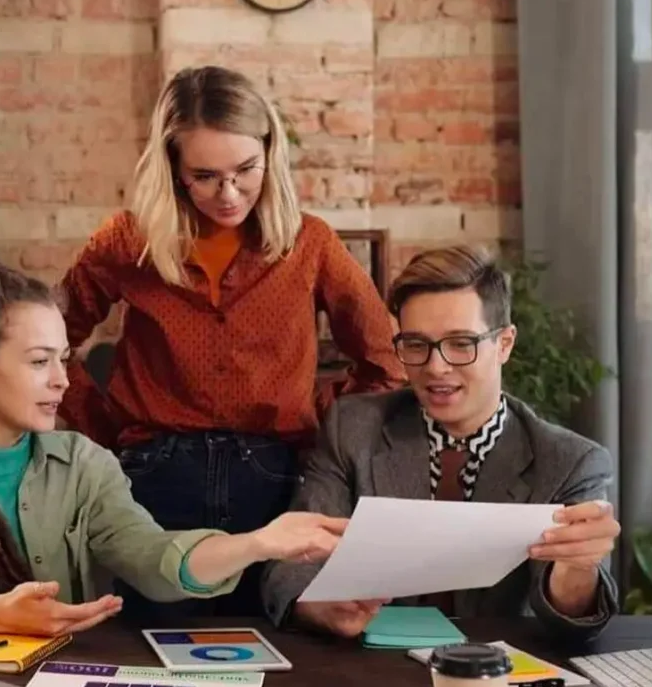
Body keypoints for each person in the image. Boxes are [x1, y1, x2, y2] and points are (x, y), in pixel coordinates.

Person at [0, 252, 346, 643]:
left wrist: (258, 543)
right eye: (38, 361)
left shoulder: (84, 465)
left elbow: (154, 558)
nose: (62, 381)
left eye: (64, 358)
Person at [58, 65, 404, 618]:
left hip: (271, 480)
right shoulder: (127, 242)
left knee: (276, 657)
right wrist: (106, 428)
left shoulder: (310, 244)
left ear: (271, 152)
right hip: (152, 481)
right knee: (153, 651)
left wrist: (311, 413)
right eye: (205, 175)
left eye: (246, 170)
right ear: (173, 168)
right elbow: (51, 344)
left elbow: (386, 362)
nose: (229, 193)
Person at [262, 245, 621, 640]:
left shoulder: (570, 461)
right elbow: (289, 566)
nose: (436, 367)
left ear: (504, 344)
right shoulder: (353, 428)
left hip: (500, 678)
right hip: (370, 676)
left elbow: (571, 621)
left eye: (460, 344)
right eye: (416, 345)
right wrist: (318, 607)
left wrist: (577, 568)